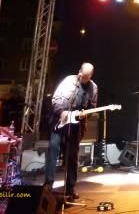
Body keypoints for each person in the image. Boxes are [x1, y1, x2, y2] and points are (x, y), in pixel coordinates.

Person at [44, 62, 98, 201]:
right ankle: (48, 184)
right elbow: (55, 98)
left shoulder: (93, 88)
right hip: (60, 121)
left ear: (90, 76)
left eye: (86, 77)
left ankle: (71, 187)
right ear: (79, 71)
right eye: (82, 75)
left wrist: (85, 114)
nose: (83, 78)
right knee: (53, 150)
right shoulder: (69, 80)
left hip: (76, 125)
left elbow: (92, 106)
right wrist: (61, 111)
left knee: (72, 155)